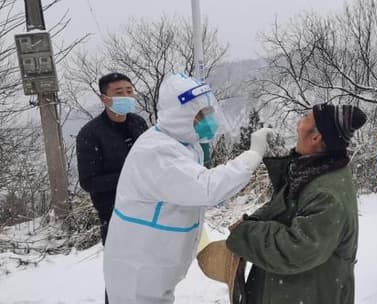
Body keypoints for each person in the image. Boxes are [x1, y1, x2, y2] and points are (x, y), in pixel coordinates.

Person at [102, 73, 273, 304]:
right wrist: (252, 155)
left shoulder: (182, 143)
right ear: (178, 117)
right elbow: (207, 187)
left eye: (209, 112)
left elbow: (189, 189)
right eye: (201, 115)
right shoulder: (157, 151)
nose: (209, 120)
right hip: (140, 266)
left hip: (157, 262)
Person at [225, 103, 367, 304]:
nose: (298, 124)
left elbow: (294, 249)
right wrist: (253, 220)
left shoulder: (327, 194)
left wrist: (246, 235)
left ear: (316, 138)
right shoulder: (310, 170)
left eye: (305, 119)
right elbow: (283, 205)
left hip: (307, 293)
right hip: (292, 290)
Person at [76, 72, 149, 245]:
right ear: (104, 98)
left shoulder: (138, 123)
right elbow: (89, 182)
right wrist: (128, 177)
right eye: (118, 93)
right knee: (124, 268)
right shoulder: (90, 134)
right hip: (115, 214)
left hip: (147, 208)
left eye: (129, 91)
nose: (126, 96)